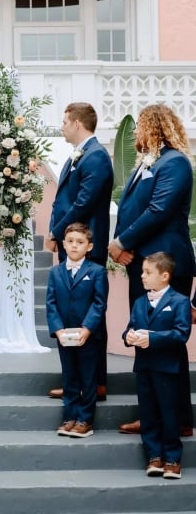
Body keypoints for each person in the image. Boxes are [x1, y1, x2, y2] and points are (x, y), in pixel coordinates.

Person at [108, 104, 194, 437]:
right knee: (144, 340)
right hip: (144, 262)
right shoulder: (148, 164)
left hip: (167, 265)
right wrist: (126, 247)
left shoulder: (175, 164)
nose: (134, 136)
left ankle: (178, 419)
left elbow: (158, 211)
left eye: (139, 128)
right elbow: (134, 208)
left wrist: (122, 241)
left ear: (154, 127)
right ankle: (150, 415)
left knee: (166, 344)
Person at [44, 103, 113, 402]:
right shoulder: (79, 155)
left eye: (64, 121)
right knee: (72, 311)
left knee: (90, 316)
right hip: (70, 242)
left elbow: (82, 204)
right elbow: (63, 200)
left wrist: (58, 232)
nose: (61, 127)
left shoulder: (96, 156)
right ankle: (75, 385)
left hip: (85, 245)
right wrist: (54, 230)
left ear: (77, 123)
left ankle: (95, 383)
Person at [123, 252, 191, 479]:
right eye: (142, 272)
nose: (142, 276)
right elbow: (130, 326)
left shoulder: (180, 301)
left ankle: (172, 458)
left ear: (164, 276)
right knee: (148, 412)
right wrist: (128, 336)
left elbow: (181, 334)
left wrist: (152, 338)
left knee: (169, 412)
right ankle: (154, 456)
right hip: (144, 366)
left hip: (167, 368)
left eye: (147, 272)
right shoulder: (140, 302)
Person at [46, 223, 108, 439]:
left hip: (87, 336)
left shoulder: (97, 271)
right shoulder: (55, 272)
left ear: (89, 246)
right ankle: (69, 416)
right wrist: (59, 331)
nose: (74, 246)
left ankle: (85, 419)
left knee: (87, 377)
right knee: (69, 376)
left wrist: (87, 328)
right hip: (65, 336)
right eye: (70, 242)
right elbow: (51, 303)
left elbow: (99, 303)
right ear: (63, 244)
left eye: (80, 242)